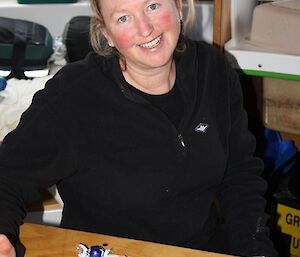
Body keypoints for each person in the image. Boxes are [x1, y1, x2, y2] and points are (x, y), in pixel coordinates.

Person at [0, 0, 277, 256]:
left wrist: (256, 249)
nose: (145, 29)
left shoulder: (214, 71)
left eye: (153, 5)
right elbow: (8, 175)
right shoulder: (74, 97)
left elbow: (240, 177)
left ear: (178, 4)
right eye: (123, 18)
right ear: (105, 32)